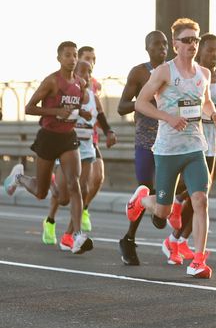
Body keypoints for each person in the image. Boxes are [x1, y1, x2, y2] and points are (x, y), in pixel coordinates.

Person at [124, 18, 216, 278]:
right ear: (175, 44)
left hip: (194, 147)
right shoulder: (164, 72)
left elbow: (205, 102)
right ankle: (141, 200)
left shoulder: (204, 74)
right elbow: (141, 103)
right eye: (187, 40)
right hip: (168, 150)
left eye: (195, 40)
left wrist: (214, 115)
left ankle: (198, 261)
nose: (192, 44)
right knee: (163, 211)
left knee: (200, 200)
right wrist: (167, 117)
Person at [163, 33, 216, 266]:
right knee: (194, 193)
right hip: (189, 142)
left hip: (211, 145)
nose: (215, 55)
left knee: (201, 198)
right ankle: (175, 206)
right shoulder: (190, 77)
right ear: (199, 51)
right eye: (210, 50)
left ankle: (176, 240)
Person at [4, 41, 93, 254]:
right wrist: (55, 112)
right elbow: (29, 108)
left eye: (74, 55)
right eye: (67, 55)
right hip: (48, 138)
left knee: (74, 184)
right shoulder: (52, 81)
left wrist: (82, 113)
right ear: (59, 58)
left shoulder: (80, 83)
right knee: (41, 192)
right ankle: (19, 177)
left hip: (68, 138)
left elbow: (73, 107)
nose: (72, 59)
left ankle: (77, 235)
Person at [43, 60, 117, 248]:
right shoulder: (67, 96)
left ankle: (70, 235)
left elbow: (101, 117)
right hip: (67, 148)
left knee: (83, 189)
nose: (86, 75)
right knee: (63, 198)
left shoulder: (93, 97)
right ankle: (51, 181)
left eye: (89, 72)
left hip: (86, 150)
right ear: (74, 74)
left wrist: (109, 132)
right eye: (82, 72)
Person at [116, 31, 168, 265]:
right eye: (157, 44)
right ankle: (128, 239)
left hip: (170, 140)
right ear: (147, 48)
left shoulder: (173, 71)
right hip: (146, 141)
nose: (162, 47)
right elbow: (121, 107)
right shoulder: (139, 72)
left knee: (169, 192)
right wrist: (145, 100)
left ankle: (160, 214)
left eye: (165, 43)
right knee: (145, 190)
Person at [75, 45, 116, 233]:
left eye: (93, 59)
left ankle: (83, 209)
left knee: (98, 177)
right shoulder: (69, 82)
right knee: (64, 192)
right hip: (70, 139)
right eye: (87, 58)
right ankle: (52, 219)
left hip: (90, 138)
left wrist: (108, 131)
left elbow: (97, 113)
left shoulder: (95, 85)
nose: (91, 62)